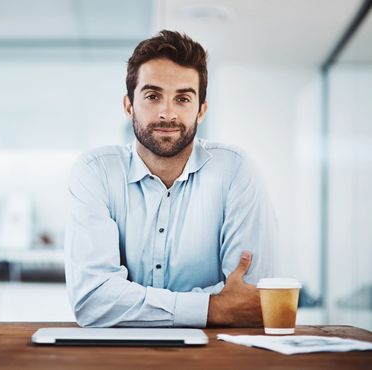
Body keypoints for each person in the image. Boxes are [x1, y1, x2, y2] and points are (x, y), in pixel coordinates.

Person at [64, 30, 276, 328]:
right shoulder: (95, 171)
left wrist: (130, 304)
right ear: (129, 106)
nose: (167, 113)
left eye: (183, 98)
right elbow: (93, 300)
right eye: (152, 96)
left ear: (201, 110)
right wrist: (213, 308)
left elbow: (248, 299)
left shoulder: (236, 171)